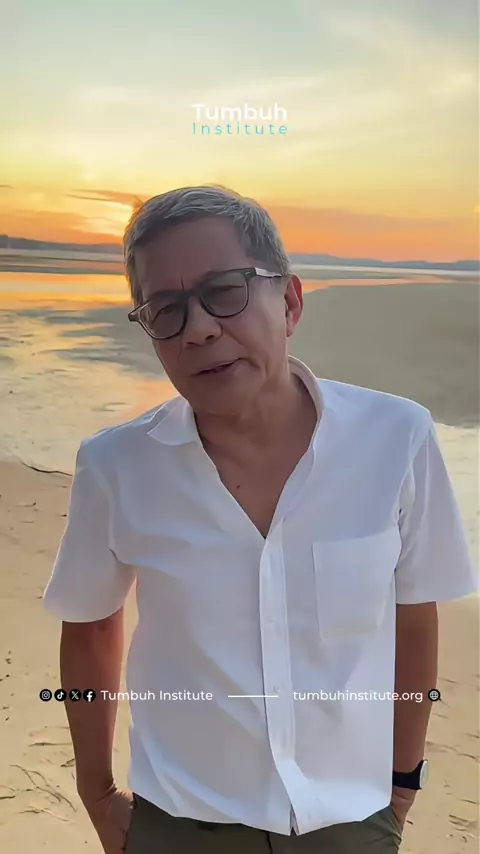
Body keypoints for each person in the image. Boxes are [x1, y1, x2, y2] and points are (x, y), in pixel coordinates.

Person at [43, 185, 478, 854]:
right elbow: (92, 625)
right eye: (166, 310)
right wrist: (97, 793)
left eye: (225, 291)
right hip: (181, 823)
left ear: (291, 301)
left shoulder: (397, 438)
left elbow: (414, 615)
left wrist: (400, 784)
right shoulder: (117, 465)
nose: (198, 329)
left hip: (351, 819)